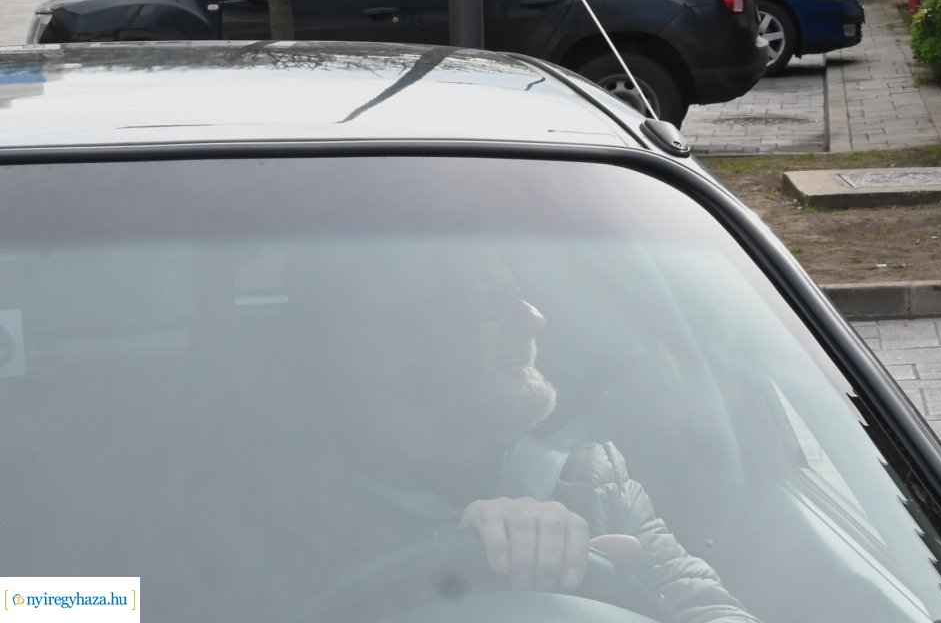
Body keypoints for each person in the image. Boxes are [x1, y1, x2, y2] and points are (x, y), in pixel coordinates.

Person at [262, 244, 760, 622]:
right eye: (487, 299)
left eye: (520, 295)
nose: (533, 319)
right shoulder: (269, 520)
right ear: (379, 347)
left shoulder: (591, 480)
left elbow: (714, 612)